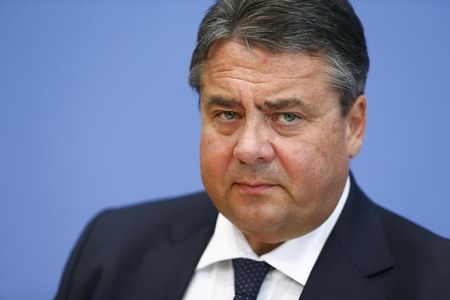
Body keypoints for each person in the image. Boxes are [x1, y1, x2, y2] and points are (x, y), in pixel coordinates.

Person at [55, 0, 450, 299]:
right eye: (227, 113)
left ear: (354, 125)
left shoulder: (433, 281)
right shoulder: (111, 249)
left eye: (287, 117)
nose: (249, 149)